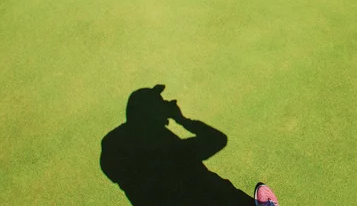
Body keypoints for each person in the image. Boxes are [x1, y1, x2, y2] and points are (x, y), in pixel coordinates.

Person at [100, 84, 279, 205]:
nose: (167, 103)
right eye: (160, 103)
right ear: (150, 114)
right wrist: (181, 119)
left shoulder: (116, 145)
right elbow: (216, 139)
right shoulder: (168, 153)